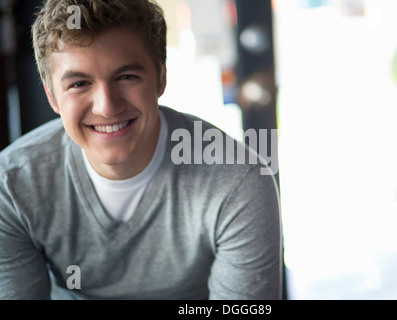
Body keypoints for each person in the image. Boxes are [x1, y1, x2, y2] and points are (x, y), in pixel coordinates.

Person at [0, 0, 282, 299]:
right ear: (52, 96)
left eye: (126, 77)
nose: (107, 107)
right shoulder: (12, 186)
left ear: (161, 77)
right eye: (80, 83)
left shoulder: (238, 180)